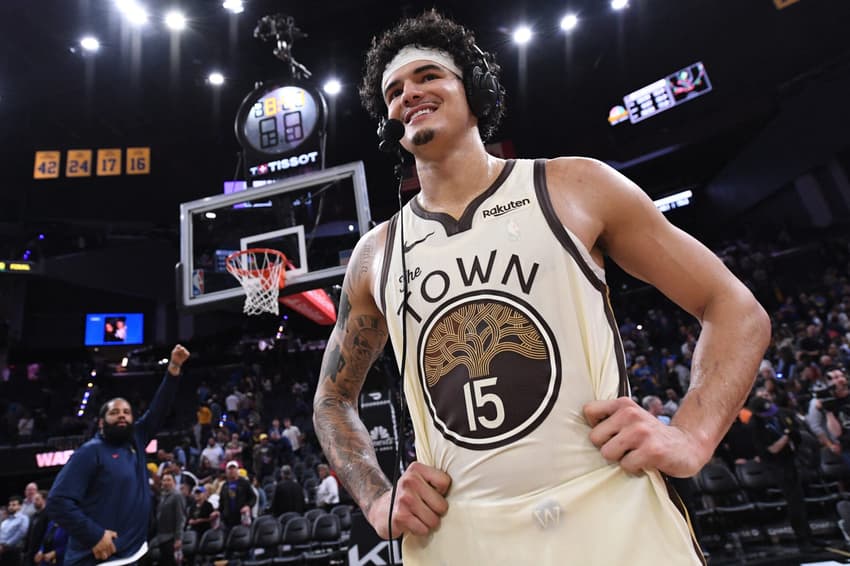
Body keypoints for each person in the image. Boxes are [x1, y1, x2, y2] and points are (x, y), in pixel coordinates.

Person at [312, 10, 770, 566]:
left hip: (613, 517)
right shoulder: (375, 253)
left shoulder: (575, 186)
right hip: (460, 537)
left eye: (428, 76)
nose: (409, 93)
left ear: (475, 89)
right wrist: (375, 496)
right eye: (394, 91)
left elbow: (734, 310)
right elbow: (333, 400)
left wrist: (691, 436)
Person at [47, 345, 190, 566]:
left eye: (126, 412)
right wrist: (94, 535)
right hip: (99, 559)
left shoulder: (136, 439)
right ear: (102, 423)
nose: (122, 415)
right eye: (114, 412)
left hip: (134, 553)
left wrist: (174, 369)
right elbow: (57, 502)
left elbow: (158, 410)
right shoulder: (89, 452)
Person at [748, 396, 816, 552]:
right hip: (776, 466)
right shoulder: (754, 426)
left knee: (801, 499)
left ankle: (810, 535)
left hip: (792, 460)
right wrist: (786, 437)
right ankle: (802, 538)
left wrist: (794, 434)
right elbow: (771, 450)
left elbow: (796, 433)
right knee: (794, 502)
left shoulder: (781, 414)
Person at [212, 461, 255, 529]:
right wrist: (218, 511)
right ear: (226, 471)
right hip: (228, 519)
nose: (231, 471)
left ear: (237, 470)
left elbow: (253, 497)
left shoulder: (244, 483)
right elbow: (222, 502)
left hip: (242, 517)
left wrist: (248, 506)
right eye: (229, 469)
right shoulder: (224, 485)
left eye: (233, 468)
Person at [154, 474, 185, 566]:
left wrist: (178, 538)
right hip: (161, 536)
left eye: (169, 480)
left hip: (171, 537)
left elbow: (180, 518)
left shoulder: (177, 496)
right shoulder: (162, 496)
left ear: (174, 483)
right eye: (164, 480)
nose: (166, 482)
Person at [0, 496, 29, 566]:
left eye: (14, 505)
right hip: (1, 551)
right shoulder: (6, 520)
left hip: (14, 551)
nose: (10, 507)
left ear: (20, 506)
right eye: (10, 505)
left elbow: (21, 533)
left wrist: (5, 545)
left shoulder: (23, 518)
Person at [22, 491, 48, 566]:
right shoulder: (34, 515)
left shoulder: (48, 515)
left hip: (39, 552)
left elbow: (46, 534)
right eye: (34, 500)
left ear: (44, 500)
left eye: (37, 499)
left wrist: (41, 551)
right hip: (29, 552)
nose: (34, 502)